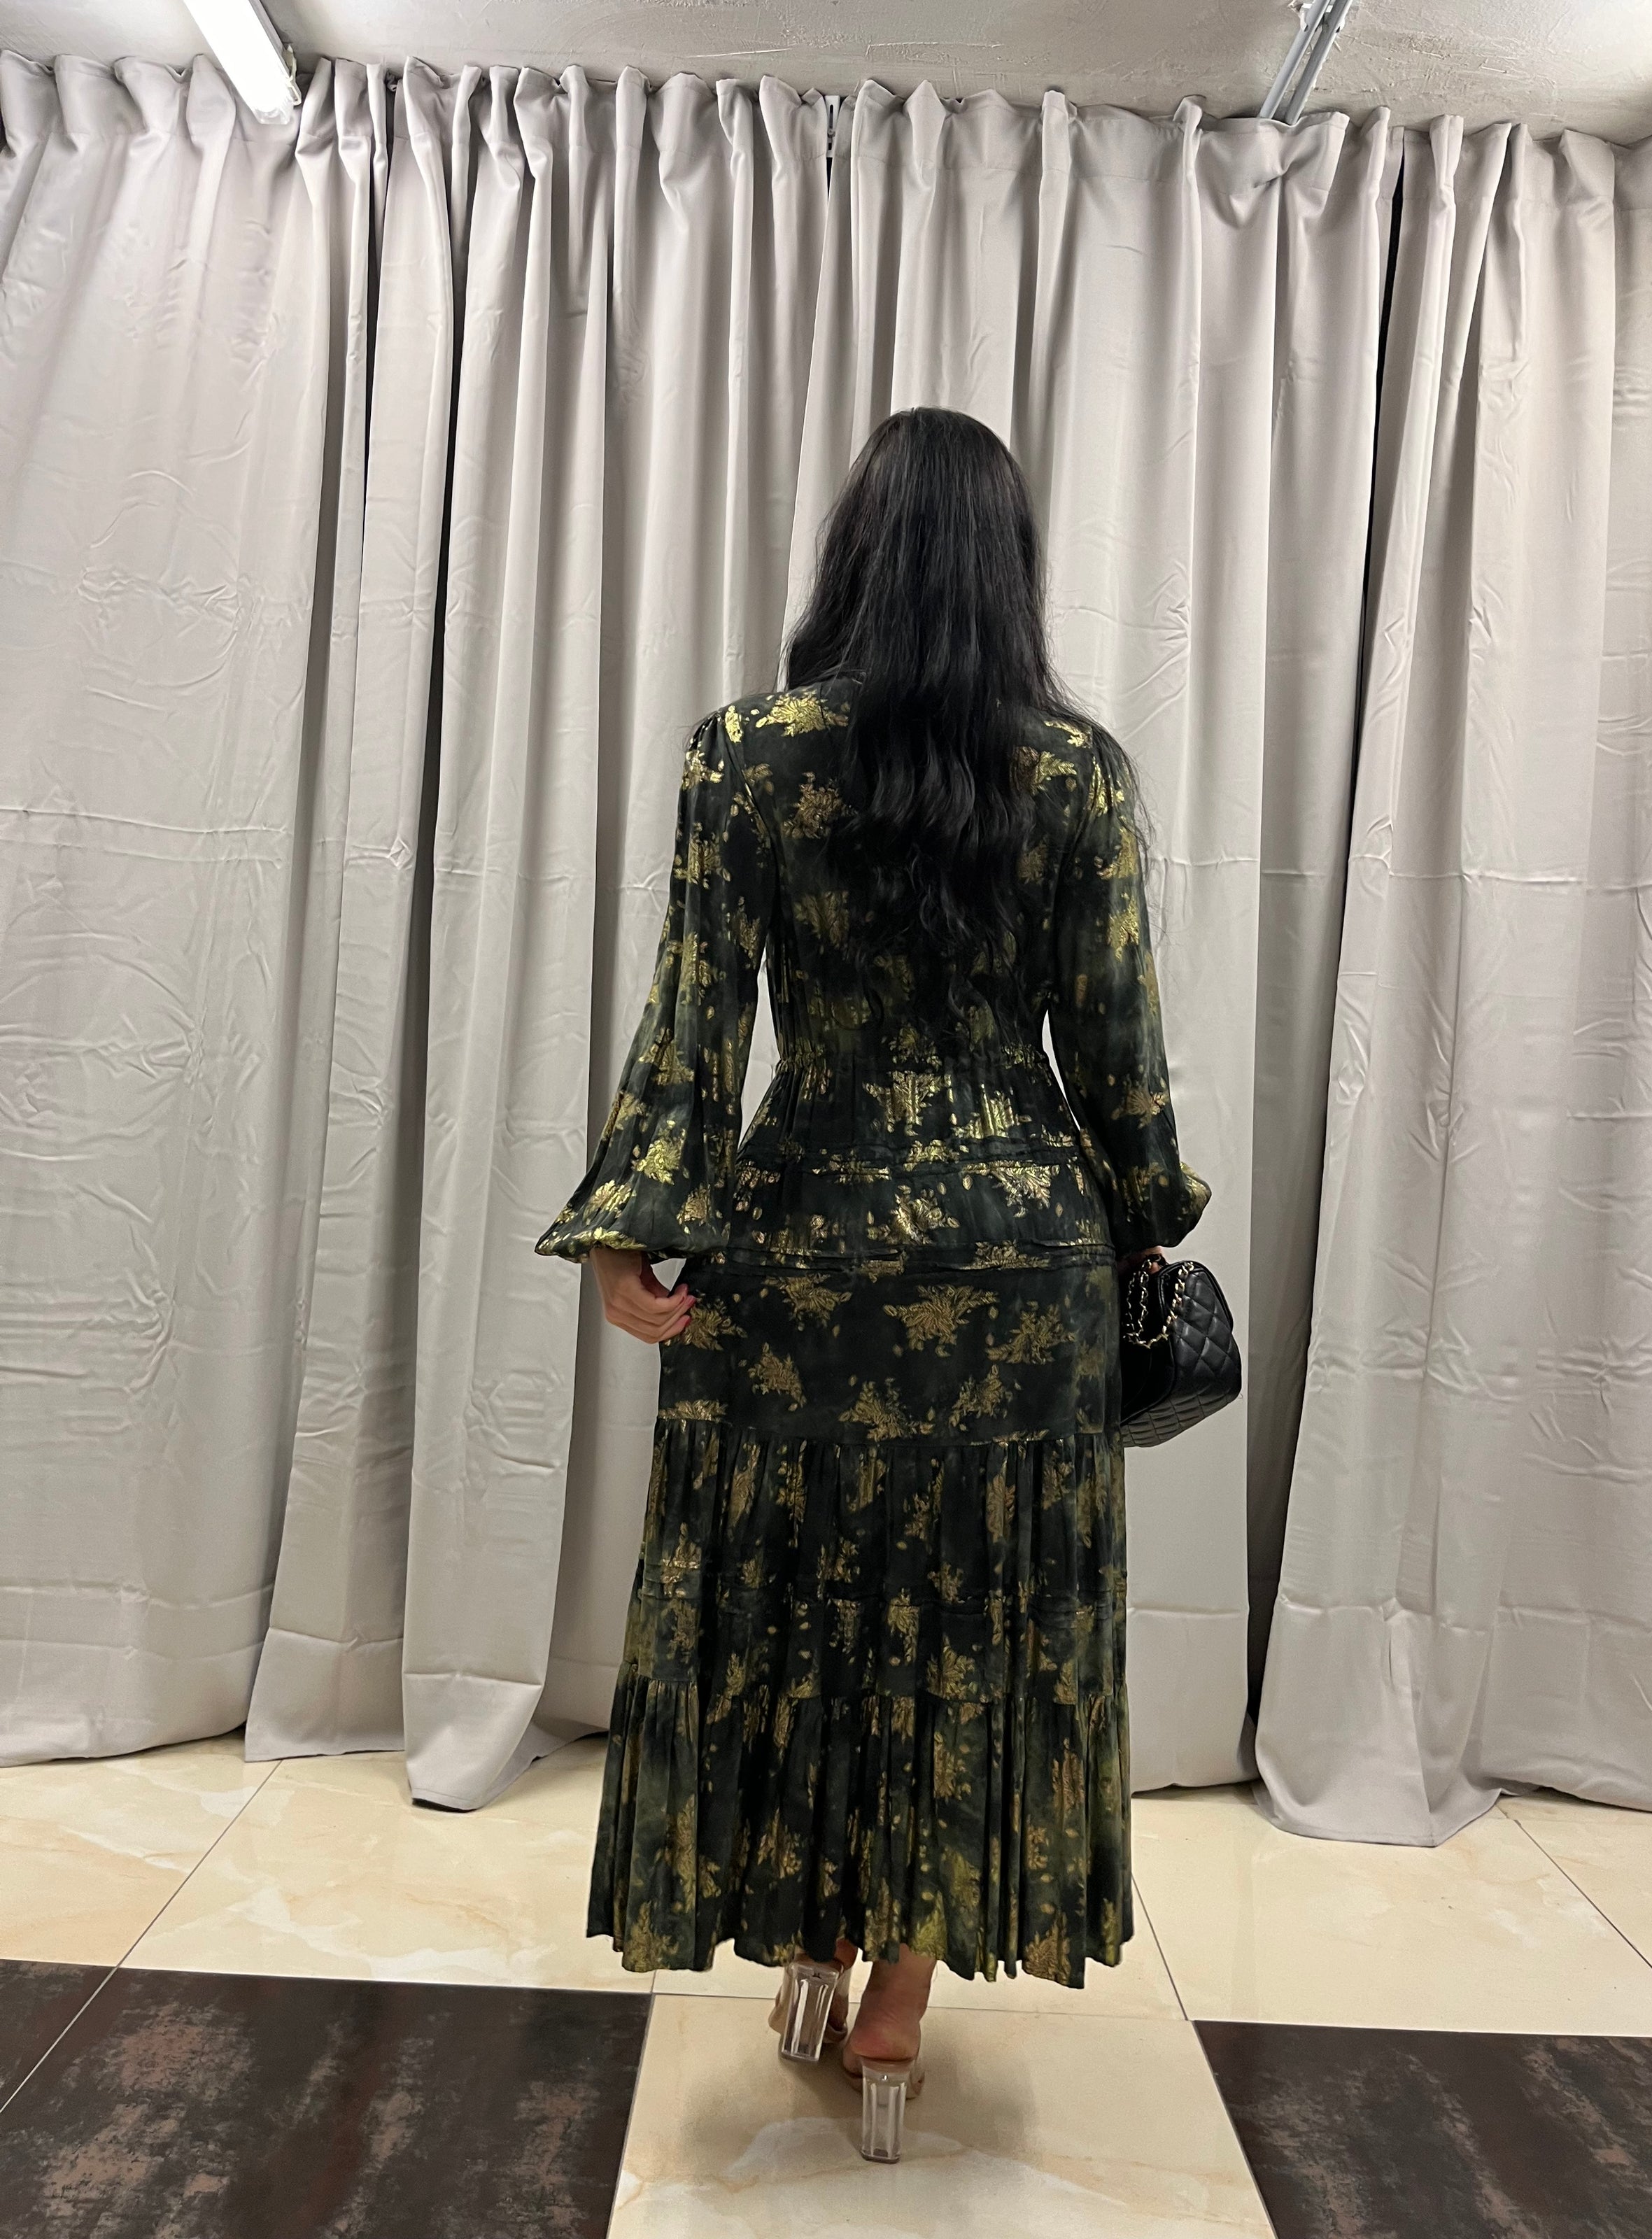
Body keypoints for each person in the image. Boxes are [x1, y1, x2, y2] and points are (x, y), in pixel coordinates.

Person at [536, 405, 1208, 2163]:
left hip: (809, 1234)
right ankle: (900, 2005)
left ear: (852, 553)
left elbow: (695, 1017)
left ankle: (814, 1944)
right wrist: (1144, 1227)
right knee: (979, 1625)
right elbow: (1120, 1054)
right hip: (1022, 1262)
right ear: (1009, 569)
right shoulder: (1076, 774)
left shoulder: (746, 757)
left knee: (802, 1601)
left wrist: (628, 1226)